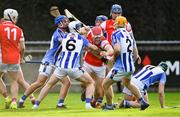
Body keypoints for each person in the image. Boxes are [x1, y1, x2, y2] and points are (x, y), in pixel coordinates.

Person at [32, 21, 98, 109]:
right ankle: (88, 104)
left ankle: (36, 105)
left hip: (61, 67)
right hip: (74, 68)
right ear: (76, 29)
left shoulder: (65, 36)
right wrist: (88, 33)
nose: (80, 28)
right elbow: (93, 48)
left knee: (49, 84)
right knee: (90, 82)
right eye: (79, 27)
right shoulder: (81, 38)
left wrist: (84, 33)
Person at [18, 15, 71, 108]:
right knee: (39, 82)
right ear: (60, 23)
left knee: (67, 82)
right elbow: (66, 42)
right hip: (49, 61)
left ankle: (60, 103)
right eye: (65, 21)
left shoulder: (65, 33)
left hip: (57, 62)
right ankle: (22, 100)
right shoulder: (57, 34)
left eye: (67, 21)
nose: (68, 22)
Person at [102, 16, 149, 110]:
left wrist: (113, 59)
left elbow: (117, 49)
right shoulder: (129, 34)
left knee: (105, 84)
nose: (114, 24)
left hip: (121, 67)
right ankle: (142, 101)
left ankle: (109, 105)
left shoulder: (115, 33)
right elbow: (135, 53)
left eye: (115, 22)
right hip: (130, 66)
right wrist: (136, 58)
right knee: (128, 84)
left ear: (117, 23)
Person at [81, 26, 114, 108]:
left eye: (99, 37)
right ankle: (87, 91)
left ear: (101, 35)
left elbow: (111, 50)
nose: (97, 39)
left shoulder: (103, 41)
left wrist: (106, 53)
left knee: (99, 89)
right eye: (95, 38)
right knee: (83, 83)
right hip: (87, 63)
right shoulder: (88, 35)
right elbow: (81, 33)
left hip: (100, 67)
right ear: (92, 35)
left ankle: (94, 102)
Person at [0, 8, 25, 109]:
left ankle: (6, 98)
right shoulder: (19, 30)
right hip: (14, 58)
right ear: (12, 17)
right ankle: (14, 102)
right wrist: (21, 58)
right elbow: (22, 47)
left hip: (1, 57)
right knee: (14, 81)